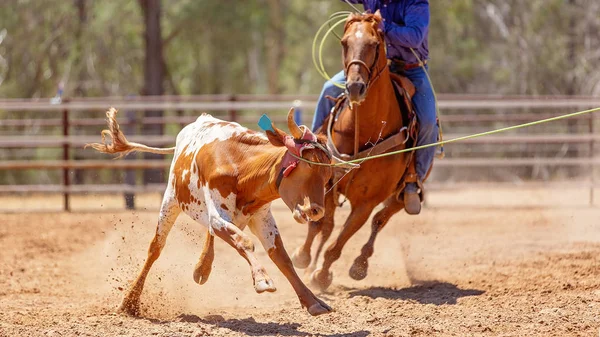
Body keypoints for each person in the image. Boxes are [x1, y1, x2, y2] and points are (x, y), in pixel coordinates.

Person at [312, 0, 437, 215]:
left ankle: (412, 180)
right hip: (372, 66)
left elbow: (415, 37)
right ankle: (313, 155)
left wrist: (384, 27)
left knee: (427, 121)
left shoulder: (416, 3)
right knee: (327, 90)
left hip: (411, 70)